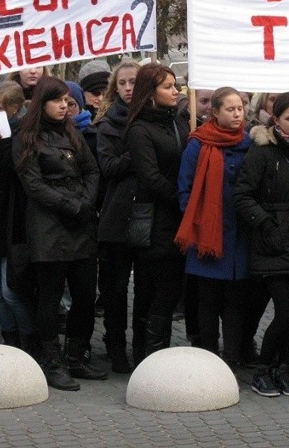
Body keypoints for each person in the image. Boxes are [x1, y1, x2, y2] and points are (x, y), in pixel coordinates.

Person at [13, 76, 106, 391]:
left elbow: (92, 170)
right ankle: (51, 362)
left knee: (84, 295)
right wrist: (71, 205)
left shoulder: (73, 133)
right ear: (43, 102)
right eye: (57, 100)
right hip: (49, 227)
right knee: (50, 297)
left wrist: (86, 202)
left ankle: (76, 356)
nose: (64, 106)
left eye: (67, 101)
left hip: (80, 224)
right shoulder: (27, 138)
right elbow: (34, 185)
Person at [100, 64, 189, 372]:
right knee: (137, 292)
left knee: (161, 293)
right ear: (151, 93)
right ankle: (139, 356)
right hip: (145, 219)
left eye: (175, 85)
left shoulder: (178, 122)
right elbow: (150, 175)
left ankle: (153, 354)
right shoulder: (137, 129)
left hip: (171, 220)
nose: (176, 91)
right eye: (168, 86)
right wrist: (182, 199)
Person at [235, 92, 289, 397]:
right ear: (276, 120)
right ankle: (262, 370)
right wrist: (267, 224)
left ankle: (283, 368)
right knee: (285, 312)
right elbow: (242, 196)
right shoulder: (262, 151)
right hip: (272, 244)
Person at [176, 87, 252, 366]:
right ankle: (209, 358)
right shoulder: (197, 144)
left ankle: (232, 358)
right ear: (214, 112)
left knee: (235, 304)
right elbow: (185, 189)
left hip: (241, 236)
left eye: (240, 108)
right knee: (208, 303)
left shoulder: (250, 143)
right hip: (207, 234)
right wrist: (200, 220)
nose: (236, 113)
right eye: (230, 109)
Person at [94, 58, 141, 372]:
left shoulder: (155, 120)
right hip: (115, 216)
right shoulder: (107, 123)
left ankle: (143, 347)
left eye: (134, 82)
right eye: (122, 83)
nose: (128, 88)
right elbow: (108, 167)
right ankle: (115, 346)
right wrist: (138, 150)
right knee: (115, 288)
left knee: (147, 289)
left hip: (149, 215)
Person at [0, 81, 35, 350]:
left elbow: (16, 170)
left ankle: (28, 341)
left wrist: (3, 143)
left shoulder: (25, 134)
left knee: (10, 291)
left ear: (14, 108)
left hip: (13, 223)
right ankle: (9, 339)